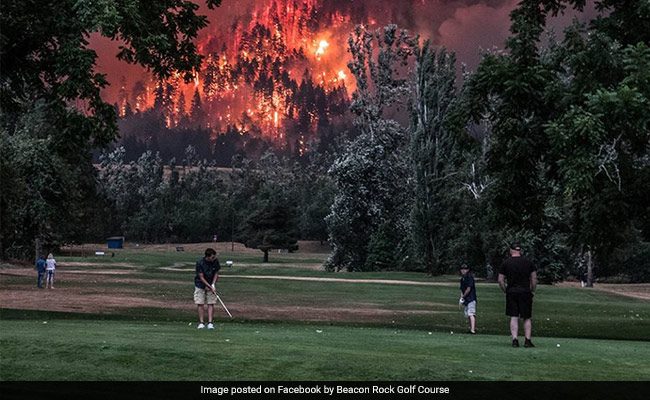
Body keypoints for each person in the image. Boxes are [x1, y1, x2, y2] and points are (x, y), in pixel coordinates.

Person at [498, 244, 537, 348]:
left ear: (511, 251)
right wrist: (532, 290)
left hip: (512, 292)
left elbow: (500, 280)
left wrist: (505, 290)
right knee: (526, 317)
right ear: (520, 251)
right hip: (525, 292)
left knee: (514, 316)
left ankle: (515, 339)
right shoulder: (528, 262)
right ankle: (527, 340)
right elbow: (534, 278)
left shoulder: (506, 263)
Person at [194, 248, 221, 330]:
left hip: (211, 282)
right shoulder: (200, 263)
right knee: (200, 303)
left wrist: (213, 284)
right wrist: (209, 286)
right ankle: (201, 323)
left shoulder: (215, 261)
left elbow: (216, 273)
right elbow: (201, 277)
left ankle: (210, 323)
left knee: (211, 302)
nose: (214, 258)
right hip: (200, 284)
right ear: (207, 257)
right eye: (212, 257)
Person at [459, 264, 477, 334]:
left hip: (471, 298)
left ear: (467, 270)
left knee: (471, 313)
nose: (463, 270)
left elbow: (469, 288)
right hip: (466, 299)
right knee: (467, 314)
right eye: (462, 269)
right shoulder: (462, 279)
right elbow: (462, 289)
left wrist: (463, 296)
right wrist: (461, 298)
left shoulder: (469, 277)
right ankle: (471, 329)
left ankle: (473, 330)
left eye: (465, 269)